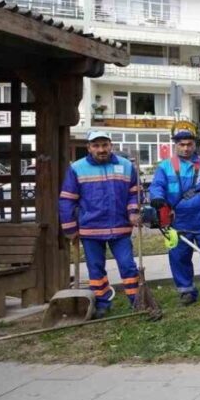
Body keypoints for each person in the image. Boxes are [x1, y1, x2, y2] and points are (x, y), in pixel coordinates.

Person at [58, 130, 141, 318]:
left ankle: (137, 299)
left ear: (111, 145)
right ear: (89, 148)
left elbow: (134, 192)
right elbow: (67, 200)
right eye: (96, 146)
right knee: (96, 269)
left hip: (120, 227)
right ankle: (102, 302)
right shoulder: (77, 168)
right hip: (90, 229)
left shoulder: (126, 166)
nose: (101, 149)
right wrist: (70, 228)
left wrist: (133, 211)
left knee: (127, 265)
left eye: (105, 145)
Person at [149, 128, 200, 306]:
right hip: (177, 220)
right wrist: (157, 198)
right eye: (181, 145)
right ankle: (186, 291)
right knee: (179, 256)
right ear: (175, 145)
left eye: (189, 144)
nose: (186, 148)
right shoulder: (164, 166)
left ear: (195, 145)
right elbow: (157, 186)